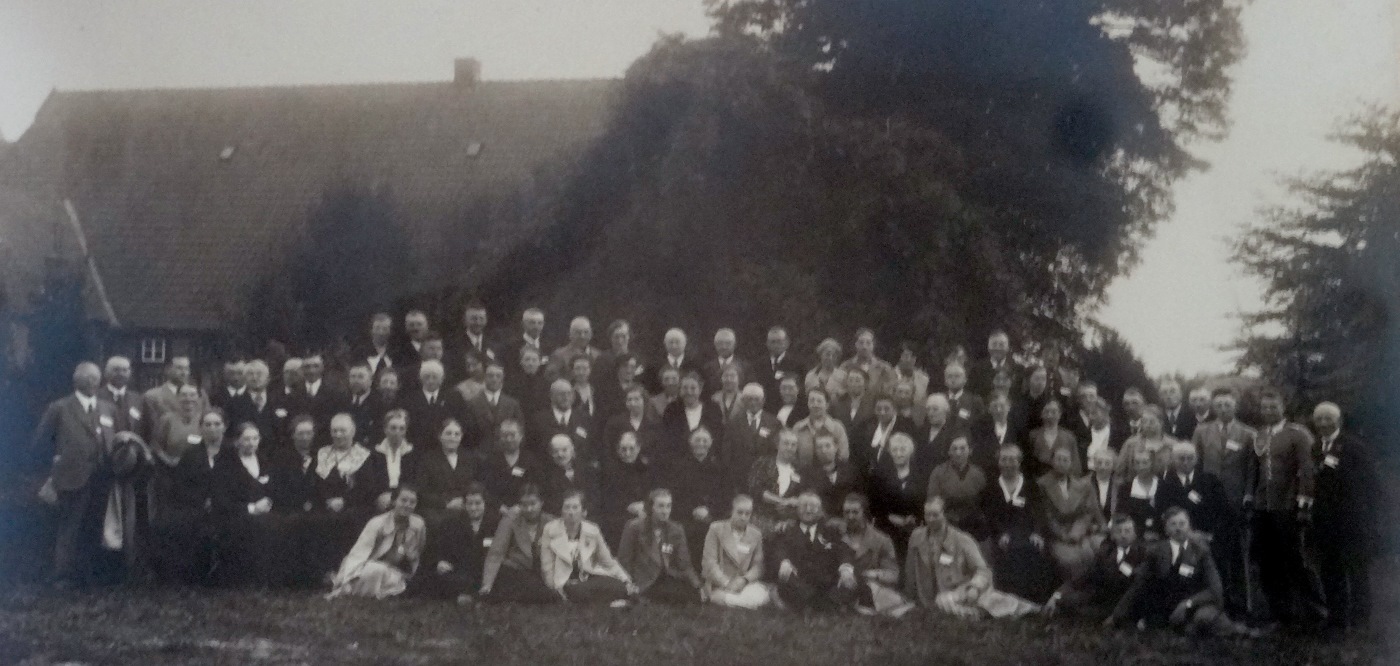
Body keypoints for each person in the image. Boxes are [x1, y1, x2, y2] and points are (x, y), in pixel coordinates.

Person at [31, 363, 120, 588]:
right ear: (76, 381)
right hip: (71, 478)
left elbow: (115, 440)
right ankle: (63, 575)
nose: (92, 382)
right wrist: (54, 466)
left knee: (95, 526)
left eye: (95, 378)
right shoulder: (59, 408)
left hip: (102, 478)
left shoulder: (107, 408)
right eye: (87, 378)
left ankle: (89, 575)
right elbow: (40, 443)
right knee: (70, 527)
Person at [1107, 507, 1256, 636]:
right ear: (1166, 529)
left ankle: (1232, 630)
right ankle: (1179, 625)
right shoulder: (1157, 551)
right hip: (1168, 606)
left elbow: (1215, 589)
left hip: (1196, 604)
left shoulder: (1201, 551)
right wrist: (1116, 616)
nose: (1178, 528)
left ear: (1189, 526)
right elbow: (1138, 584)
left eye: (1182, 524)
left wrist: (1188, 603)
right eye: (1173, 524)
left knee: (1203, 619)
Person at [1252, 389, 1325, 626]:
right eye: (1265, 407)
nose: (1269, 411)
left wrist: (1303, 504)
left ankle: (1315, 612)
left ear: (1283, 407)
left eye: (1273, 407)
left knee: (1296, 560)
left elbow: (1307, 470)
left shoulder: (1298, 434)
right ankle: (1281, 614)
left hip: (1288, 506)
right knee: (1269, 562)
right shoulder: (1260, 435)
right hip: (1264, 507)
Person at [905, 495, 1040, 619]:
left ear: (945, 514)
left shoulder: (962, 540)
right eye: (927, 515)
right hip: (929, 598)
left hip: (962, 590)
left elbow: (983, 570)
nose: (931, 520)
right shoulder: (917, 537)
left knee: (994, 601)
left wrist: (974, 588)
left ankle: (1032, 611)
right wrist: (910, 596)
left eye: (935, 515)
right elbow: (910, 571)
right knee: (941, 602)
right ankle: (975, 614)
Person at [1310, 401, 1376, 631]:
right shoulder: (1316, 447)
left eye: (1327, 418)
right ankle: (1337, 617)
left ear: (1338, 421)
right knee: (1330, 571)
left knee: (1356, 571)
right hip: (1326, 522)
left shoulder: (1353, 446)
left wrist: (1367, 518)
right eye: (1318, 419)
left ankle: (1360, 619)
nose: (1323, 423)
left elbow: (1370, 484)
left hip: (1352, 521)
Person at [1190, 388, 1255, 615]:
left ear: (1235, 406)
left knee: (1237, 553)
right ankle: (1216, 599)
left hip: (1235, 502)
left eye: (1227, 405)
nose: (1223, 409)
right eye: (1219, 405)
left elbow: (1251, 469)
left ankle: (1242, 602)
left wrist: (1247, 496)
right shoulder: (1202, 431)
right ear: (1213, 407)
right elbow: (1195, 467)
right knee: (1212, 552)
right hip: (1210, 504)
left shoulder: (1248, 434)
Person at [156, 408, 228, 585]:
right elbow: (180, 486)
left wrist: (218, 501)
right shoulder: (191, 453)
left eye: (217, 424)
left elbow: (238, 484)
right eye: (207, 424)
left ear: (224, 427)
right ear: (201, 428)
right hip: (195, 506)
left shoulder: (231, 453)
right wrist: (202, 500)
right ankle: (190, 575)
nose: (212, 428)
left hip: (227, 506)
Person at [313, 414, 391, 578]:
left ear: (353, 431)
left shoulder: (365, 455)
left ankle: (350, 572)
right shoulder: (322, 453)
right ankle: (325, 573)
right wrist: (329, 501)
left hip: (357, 505)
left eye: (343, 430)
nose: (338, 435)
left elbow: (368, 488)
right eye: (334, 430)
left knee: (348, 520)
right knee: (318, 521)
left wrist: (344, 501)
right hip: (325, 505)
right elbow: (315, 483)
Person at [213, 422, 290, 587]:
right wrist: (252, 508)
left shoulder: (265, 460)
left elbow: (275, 489)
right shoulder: (226, 465)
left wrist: (268, 501)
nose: (251, 443)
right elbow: (221, 501)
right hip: (236, 516)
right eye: (246, 439)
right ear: (237, 442)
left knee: (282, 524)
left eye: (255, 438)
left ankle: (274, 579)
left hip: (267, 513)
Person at [979, 445, 1058, 603]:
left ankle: (1033, 599)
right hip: (1002, 534)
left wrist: (1036, 532)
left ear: (1019, 462)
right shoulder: (992, 487)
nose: (1008, 464)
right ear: (998, 462)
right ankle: (1009, 599)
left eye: (1012, 459)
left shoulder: (1031, 486)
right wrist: (1002, 533)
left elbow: (1039, 512)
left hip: (1029, 532)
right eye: (1004, 459)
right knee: (1007, 551)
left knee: (1035, 549)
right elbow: (990, 516)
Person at [327, 486, 426, 599]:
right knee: (376, 570)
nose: (407, 505)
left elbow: (418, 552)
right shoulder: (377, 523)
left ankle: (392, 588)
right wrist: (347, 578)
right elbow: (358, 553)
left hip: (397, 571)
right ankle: (353, 588)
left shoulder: (418, 524)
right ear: (394, 501)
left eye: (412, 502)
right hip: (368, 567)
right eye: (403, 500)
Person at [1044, 514, 1147, 623]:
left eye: (1127, 531)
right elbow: (1085, 576)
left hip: (1126, 602)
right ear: (1112, 536)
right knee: (1065, 601)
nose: (1123, 535)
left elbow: (1137, 586)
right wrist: (1057, 595)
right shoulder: (1107, 552)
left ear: (1135, 534)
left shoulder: (1142, 554)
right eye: (1119, 531)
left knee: (1082, 613)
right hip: (1102, 599)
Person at [540, 490, 636, 605]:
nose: (571, 512)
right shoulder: (550, 530)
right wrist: (555, 589)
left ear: (584, 512)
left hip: (589, 579)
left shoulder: (592, 530)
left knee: (619, 586)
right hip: (565, 582)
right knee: (577, 592)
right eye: (567, 507)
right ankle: (611, 603)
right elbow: (547, 566)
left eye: (575, 507)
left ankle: (608, 601)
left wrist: (626, 580)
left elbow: (608, 562)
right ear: (561, 511)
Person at [769, 492, 857, 611]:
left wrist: (846, 569)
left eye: (813, 507)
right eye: (804, 506)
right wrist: (784, 562)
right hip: (799, 582)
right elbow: (779, 550)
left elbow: (844, 551)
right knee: (786, 580)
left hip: (825, 583)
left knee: (849, 581)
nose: (808, 510)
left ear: (820, 511)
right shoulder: (787, 531)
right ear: (797, 509)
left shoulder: (831, 531)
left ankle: (813, 603)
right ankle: (820, 603)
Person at [618, 488, 704, 604]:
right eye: (661, 506)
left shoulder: (676, 529)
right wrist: (628, 584)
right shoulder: (634, 527)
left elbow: (685, 564)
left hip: (667, 578)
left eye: (668, 506)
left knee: (691, 595)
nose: (665, 511)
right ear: (651, 508)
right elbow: (625, 561)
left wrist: (698, 586)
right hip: (643, 580)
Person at [415, 482, 497, 604]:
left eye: (478, 503)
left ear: (485, 503)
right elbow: (439, 548)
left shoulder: (495, 524)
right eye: (470, 503)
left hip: (485, 572)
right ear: (464, 505)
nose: (473, 508)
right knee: (436, 578)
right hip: (459, 572)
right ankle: (472, 596)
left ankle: (469, 596)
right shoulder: (452, 523)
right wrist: (440, 561)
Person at [840, 493, 916, 617]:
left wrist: (873, 574)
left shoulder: (881, 540)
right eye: (846, 512)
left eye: (855, 512)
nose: (850, 516)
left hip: (870, 586)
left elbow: (893, 574)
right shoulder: (835, 534)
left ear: (864, 513)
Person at [480, 484, 558, 604]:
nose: (529, 509)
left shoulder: (551, 521)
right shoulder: (511, 520)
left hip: (542, 571)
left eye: (533, 504)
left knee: (545, 592)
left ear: (541, 503)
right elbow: (496, 553)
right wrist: (487, 585)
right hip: (516, 571)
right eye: (524, 505)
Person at [667, 427, 730, 569]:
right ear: (690, 442)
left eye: (705, 440)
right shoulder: (679, 467)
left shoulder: (720, 467)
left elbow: (726, 497)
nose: (701, 443)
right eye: (697, 440)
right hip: (686, 516)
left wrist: (709, 511)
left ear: (711, 442)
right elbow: (674, 496)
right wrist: (693, 511)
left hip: (713, 516)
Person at [1039, 446, 1104, 581]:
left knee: (1097, 549)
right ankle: (1073, 589)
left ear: (1071, 463)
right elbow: (1046, 516)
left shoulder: (1081, 484)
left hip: (1080, 531)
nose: (1061, 463)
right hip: (1057, 535)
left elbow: (1087, 511)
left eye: (1065, 460)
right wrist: (1064, 535)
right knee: (1072, 559)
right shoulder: (1042, 485)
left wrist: (1077, 531)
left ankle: (1093, 589)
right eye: (1058, 459)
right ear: (1052, 461)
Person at [702, 494, 769, 609]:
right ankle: (742, 602)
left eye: (747, 514)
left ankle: (729, 600)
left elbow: (758, 566)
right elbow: (709, 563)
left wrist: (744, 580)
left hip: (742, 584)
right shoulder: (716, 529)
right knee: (758, 598)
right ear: (731, 512)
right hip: (719, 583)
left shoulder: (756, 534)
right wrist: (727, 583)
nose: (743, 517)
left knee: (759, 593)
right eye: (740, 512)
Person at [1157, 442, 1229, 548]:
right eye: (1181, 458)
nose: (1186, 462)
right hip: (1176, 539)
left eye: (1190, 458)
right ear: (1173, 460)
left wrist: (1208, 535)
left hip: (1208, 538)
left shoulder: (1210, 481)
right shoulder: (1164, 484)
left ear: (1196, 459)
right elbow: (1162, 512)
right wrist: (1189, 534)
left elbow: (1222, 511)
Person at [414, 418, 477, 533]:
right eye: (448, 433)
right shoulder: (428, 459)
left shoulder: (469, 459)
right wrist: (446, 503)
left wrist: (463, 500)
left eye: (456, 434)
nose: (452, 437)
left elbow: (475, 484)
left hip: (464, 506)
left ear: (461, 437)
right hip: (437, 509)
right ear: (440, 436)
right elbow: (422, 491)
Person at [867, 433, 924, 560]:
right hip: (886, 529)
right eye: (895, 450)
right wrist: (890, 517)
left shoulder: (920, 477)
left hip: (912, 531)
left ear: (910, 452)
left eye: (902, 450)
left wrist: (913, 518)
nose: (898, 454)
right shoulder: (880, 476)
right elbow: (873, 505)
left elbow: (923, 503)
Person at [400, 360, 471, 450]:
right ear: (421, 379)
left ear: (441, 379)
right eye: (427, 377)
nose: (431, 381)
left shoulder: (454, 397)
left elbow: (463, 421)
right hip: (419, 448)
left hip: (447, 448)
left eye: (435, 377)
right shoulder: (410, 400)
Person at [599, 430, 653, 547]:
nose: (627, 453)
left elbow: (654, 494)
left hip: (646, 513)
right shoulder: (609, 471)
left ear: (638, 448)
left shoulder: (647, 469)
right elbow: (607, 499)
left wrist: (645, 506)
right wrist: (629, 506)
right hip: (620, 517)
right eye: (623, 449)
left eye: (631, 449)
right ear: (618, 450)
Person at [724, 383, 782, 491]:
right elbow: (727, 452)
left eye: (757, 399)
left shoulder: (774, 423)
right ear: (743, 401)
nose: (753, 403)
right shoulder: (734, 422)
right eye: (749, 399)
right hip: (740, 479)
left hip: (766, 478)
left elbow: (777, 452)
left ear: (763, 400)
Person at [660, 372, 726, 466]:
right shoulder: (672, 410)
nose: (689, 392)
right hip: (679, 465)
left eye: (693, 388)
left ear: (700, 389)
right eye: (685, 388)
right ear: (680, 390)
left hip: (708, 465)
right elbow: (667, 438)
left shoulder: (713, 409)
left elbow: (719, 437)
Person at [926, 435, 987, 534]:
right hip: (946, 526)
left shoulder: (978, 474)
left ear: (970, 450)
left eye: (963, 448)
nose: (958, 453)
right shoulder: (938, 473)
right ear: (949, 452)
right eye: (954, 449)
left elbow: (984, 504)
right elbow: (932, 502)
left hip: (973, 527)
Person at [478, 419, 541, 513]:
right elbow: (485, 488)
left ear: (521, 436)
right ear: (499, 437)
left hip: (525, 510)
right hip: (497, 511)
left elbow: (536, 486)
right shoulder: (491, 460)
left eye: (512, 435)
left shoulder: (530, 460)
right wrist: (498, 506)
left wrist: (520, 506)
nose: (508, 439)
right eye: (504, 435)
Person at [748, 429, 806, 529]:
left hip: (789, 523)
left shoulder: (801, 470)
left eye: (793, 445)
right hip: (761, 520)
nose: (789, 448)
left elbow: (804, 494)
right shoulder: (763, 463)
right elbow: (756, 489)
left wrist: (795, 501)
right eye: (786, 443)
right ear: (777, 445)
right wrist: (782, 501)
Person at [850, 395, 916, 480]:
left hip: (895, 476)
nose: (882, 412)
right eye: (878, 409)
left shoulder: (906, 426)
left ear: (894, 409)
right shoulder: (867, 425)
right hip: (869, 477)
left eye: (886, 409)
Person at [532, 378, 594, 463]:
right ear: (551, 396)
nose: (566, 397)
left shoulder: (585, 419)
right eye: (561, 394)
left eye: (569, 393)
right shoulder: (539, 421)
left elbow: (591, 448)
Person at [464, 360, 522, 448]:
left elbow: (520, 431)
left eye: (498, 376)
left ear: (502, 379)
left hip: (505, 454)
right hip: (480, 456)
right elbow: (468, 434)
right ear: (484, 378)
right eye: (490, 376)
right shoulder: (472, 403)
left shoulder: (513, 404)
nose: (494, 379)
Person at [540, 434, 600, 518]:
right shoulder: (546, 475)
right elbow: (550, 503)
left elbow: (594, 495)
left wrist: (584, 511)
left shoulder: (587, 470)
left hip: (588, 516)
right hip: (560, 519)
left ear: (572, 450)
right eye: (555, 451)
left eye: (564, 450)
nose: (560, 454)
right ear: (550, 453)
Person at [1112, 406, 1176, 482]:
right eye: (1144, 421)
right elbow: (1119, 471)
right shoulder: (1131, 444)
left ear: (1161, 423)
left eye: (1151, 422)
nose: (1147, 425)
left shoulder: (1172, 445)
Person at [805, 434, 859, 518]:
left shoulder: (850, 471)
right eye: (819, 447)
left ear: (836, 447)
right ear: (815, 450)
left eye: (828, 446)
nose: (824, 450)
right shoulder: (808, 474)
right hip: (821, 520)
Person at [602, 384, 663, 459]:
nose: (633, 403)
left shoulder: (655, 423)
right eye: (629, 400)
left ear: (644, 401)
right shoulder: (615, 423)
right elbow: (608, 449)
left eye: (636, 399)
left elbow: (659, 451)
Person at [792, 388, 849, 467]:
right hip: (804, 475)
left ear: (827, 405)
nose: (815, 404)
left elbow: (843, 456)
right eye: (812, 401)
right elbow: (792, 456)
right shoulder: (798, 428)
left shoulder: (837, 428)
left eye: (819, 401)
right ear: (808, 403)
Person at [1114, 450, 1162, 542]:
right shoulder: (1125, 488)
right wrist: (1140, 533)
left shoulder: (1164, 486)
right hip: (1134, 538)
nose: (1141, 466)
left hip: (1161, 536)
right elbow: (1121, 516)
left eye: (1145, 462)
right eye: (1137, 463)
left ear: (1152, 463)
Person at [968, 393, 1023, 473]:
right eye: (994, 406)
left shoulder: (1018, 427)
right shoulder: (979, 428)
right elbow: (978, 454)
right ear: (989, 409)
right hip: (987, 472)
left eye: (1002, 406)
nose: (998, 410)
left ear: (1009, 407)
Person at [1027, 399, 1080, 479]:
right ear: (1041, 414)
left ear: (1059, 414)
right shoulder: (1033, 436)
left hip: (1063, 480)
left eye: (1054, 412)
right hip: (1038, 481)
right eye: (1046, 412)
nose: (1050, 415)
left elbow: (1076, 465)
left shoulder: (1069, 437)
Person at [840, 328, 897, 398]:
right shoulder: (846, 367)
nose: (864, 347)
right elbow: (839, 389)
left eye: (868, 343)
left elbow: (891, 390)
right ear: (856, 344)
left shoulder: (885, 368)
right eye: (861, 343)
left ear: (873, 345)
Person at [914, 394, 963, 476]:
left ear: (946, 410)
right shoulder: (920, 431)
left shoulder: (954, 433)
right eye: (928, 409)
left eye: (935, 409)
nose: (930, 413)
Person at [758, 326, 804, 412]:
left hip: (790, 411)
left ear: (787, 342)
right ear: (767, 344)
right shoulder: (759, 364)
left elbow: (801, 391)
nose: (776, 345)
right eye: (772, 342)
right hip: (765, 411)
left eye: (779, 342)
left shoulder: (797, 364)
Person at [98, 356, 144, 436]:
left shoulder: (138, 399)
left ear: (130, 373)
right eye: (116, 370)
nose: (121, 374)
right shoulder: (97, 397)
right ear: (106, 372)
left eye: (125, 370)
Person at [142, 356, 194, 426]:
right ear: (167, 370)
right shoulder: (152, 396)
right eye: (179, 368)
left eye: (187, 369)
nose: (184, 373)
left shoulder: (200, 395)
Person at [547, 316, 601, 381]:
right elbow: (551, 379)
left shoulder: (598, 355)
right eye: (578, 333)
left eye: (586, 332)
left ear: (591, 334)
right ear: (570, 334)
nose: (582, 336)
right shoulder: (559, 355)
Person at [702, 328, 750, 396]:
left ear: (734, 344)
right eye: (720, 343)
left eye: (728, 343)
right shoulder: (707, 368)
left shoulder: (745, 367)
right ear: (715, 345)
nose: (724, 347)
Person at [892, 341, 931, 416]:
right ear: (899, 357)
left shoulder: (924, 379)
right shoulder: (889, 376)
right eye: (906, 356)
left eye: (913, 356)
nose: (909, 359)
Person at [832, 368, 875, 433]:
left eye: (857, 381)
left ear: (865, 383)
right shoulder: (838, 402)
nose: (853, 384)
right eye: (850, 380)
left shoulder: (873, 403)